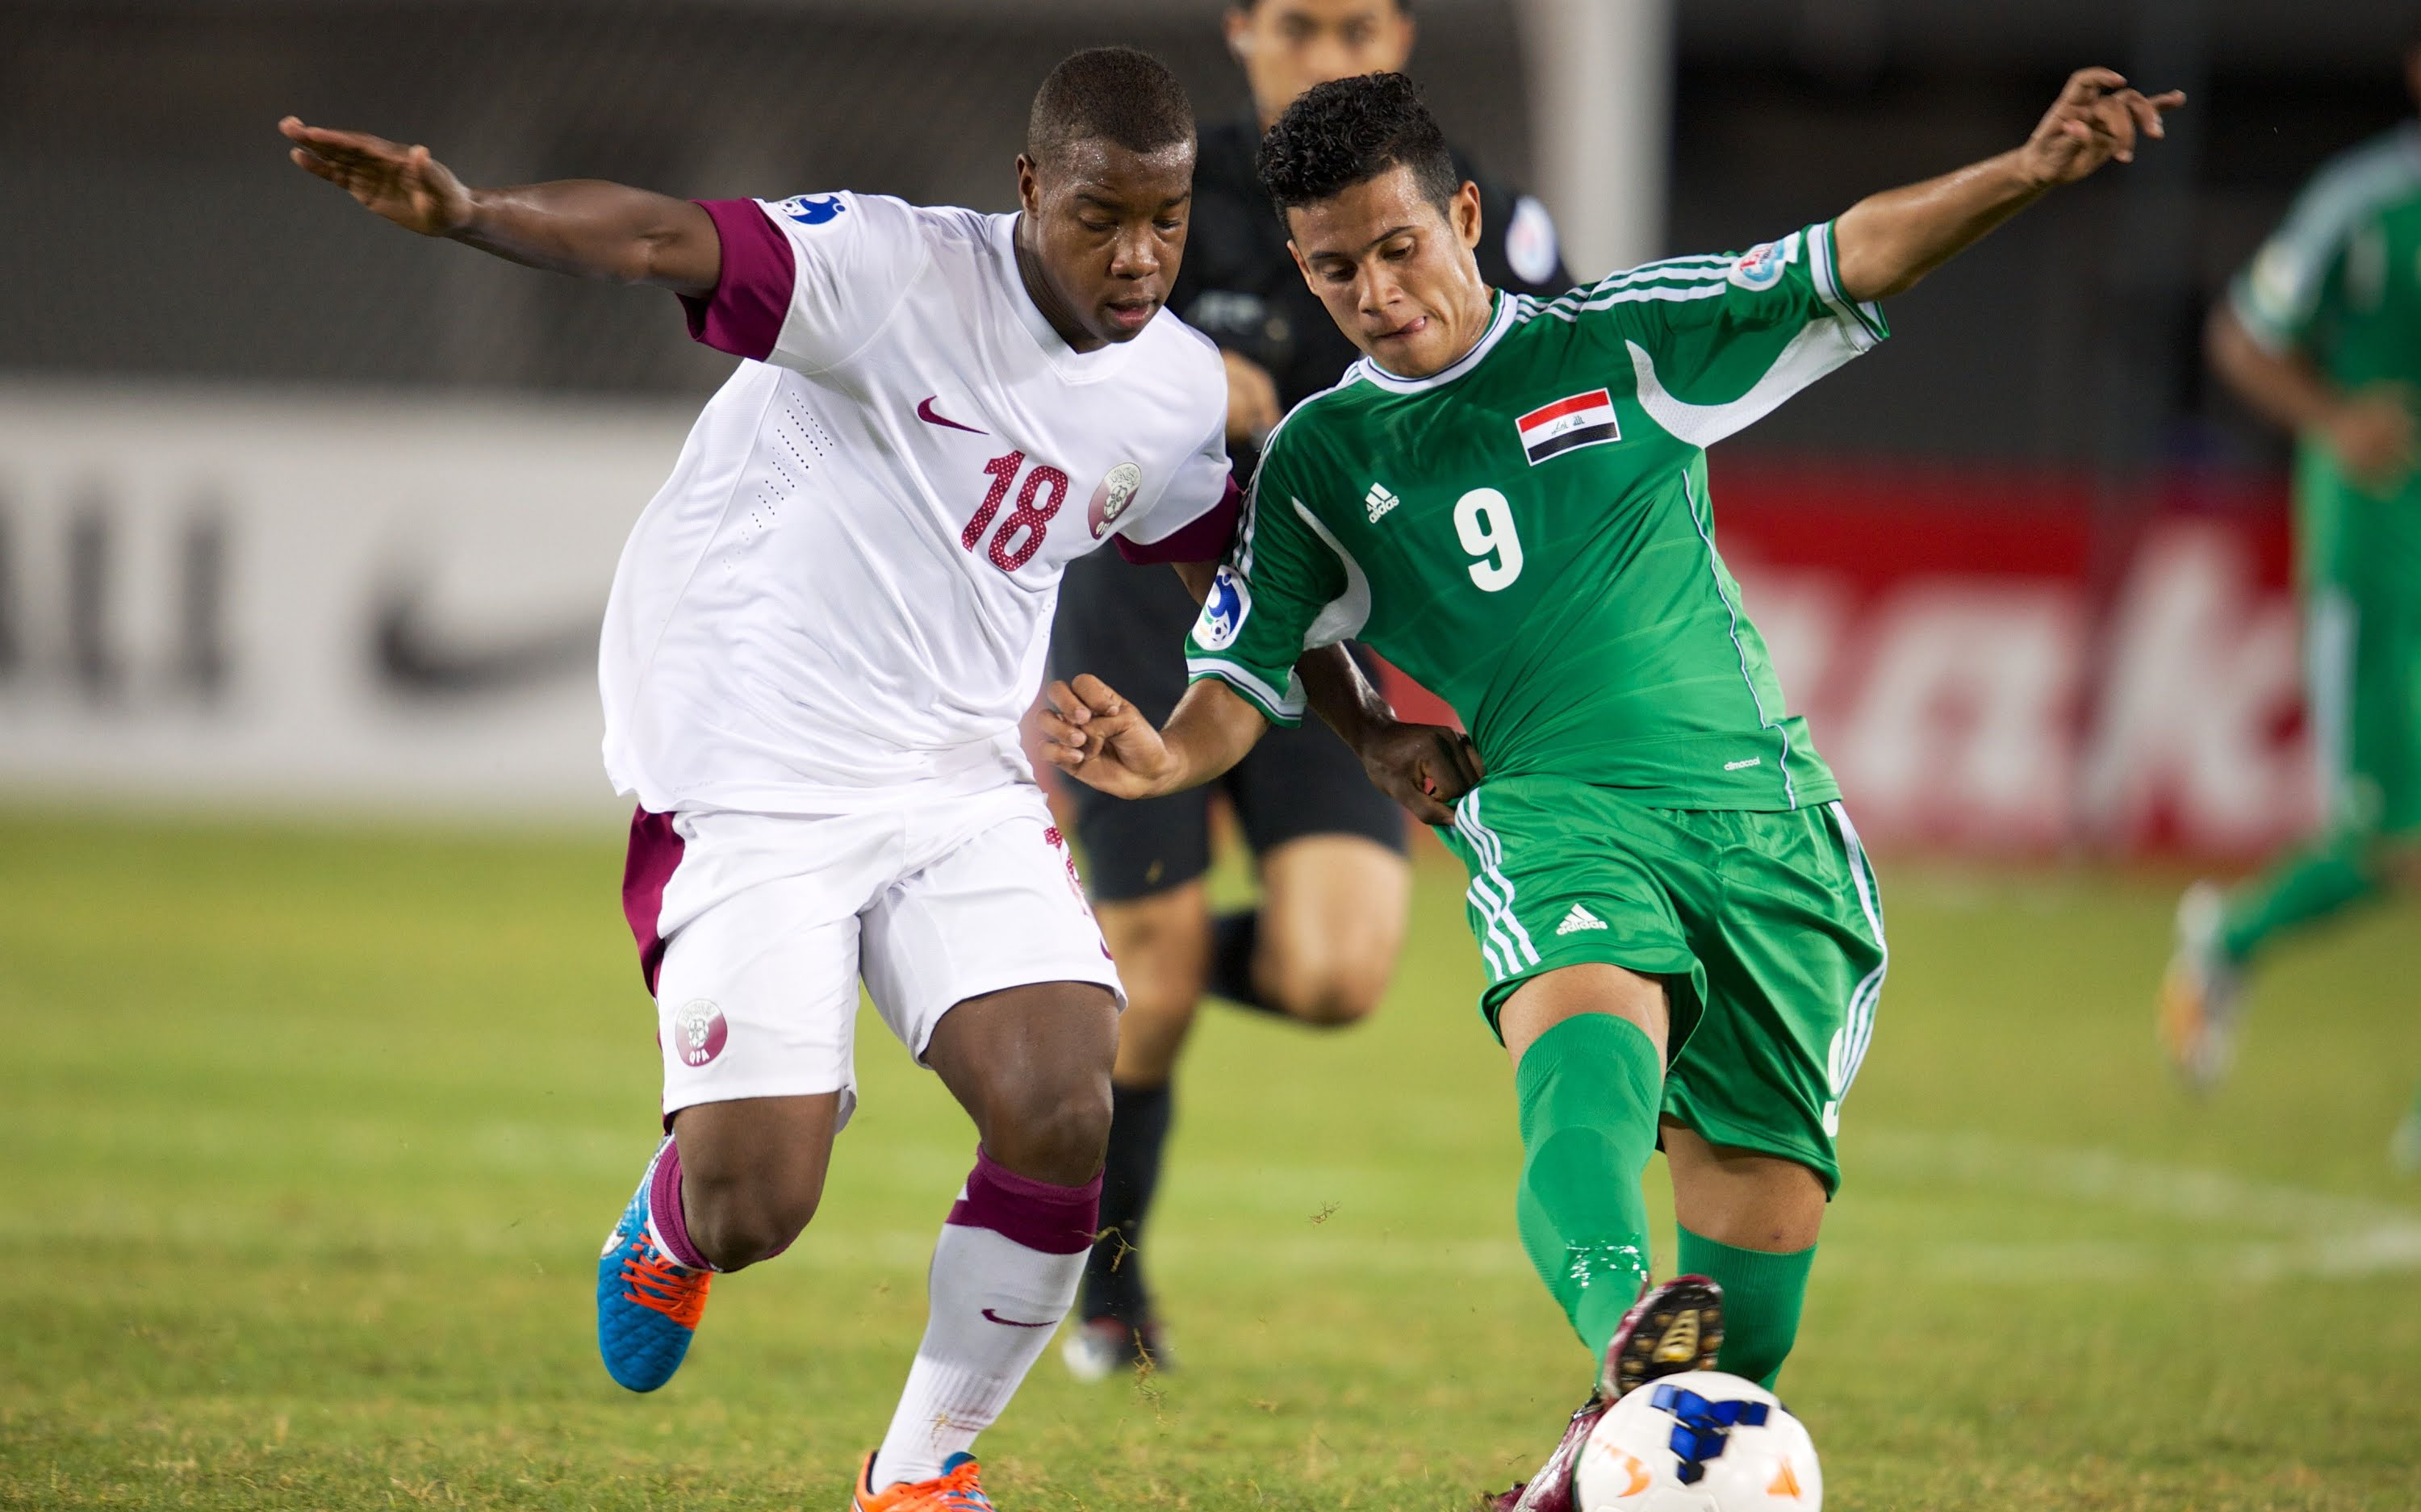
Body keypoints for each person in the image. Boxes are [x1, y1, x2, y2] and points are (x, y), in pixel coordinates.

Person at [281, 48, 1459, 1512]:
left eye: (1168, 219)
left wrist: (1373, 730)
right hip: (747, 768)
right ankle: (673, 1219)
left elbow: (1246, 574)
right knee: (756, 1205)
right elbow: (663, 235)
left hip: (954, 778)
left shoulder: (1164, 394)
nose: (1141, 255)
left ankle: (918, 1473)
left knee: (1065, 1106)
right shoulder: (888, 271)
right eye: (1104, 217)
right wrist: (468, 214)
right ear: (1031, 189)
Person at [1042, 68, 2181, 1511]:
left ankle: (1594, 1451)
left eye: (1400, 248)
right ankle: (1617, 1321)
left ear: (1464, 216)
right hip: (1551, 806)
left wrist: (2025, 168)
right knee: (1582, 1057)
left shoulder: (1626, 338)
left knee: (1746, 1334)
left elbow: (1851, 253)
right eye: (1336, 272)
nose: (1377, 293)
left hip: (1772, 837)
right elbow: (1247, 673)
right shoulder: (1324, 458)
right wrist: (1168, 751)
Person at [1051, 0, 1567, 1380]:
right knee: (1152, 985)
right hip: (1146, 606)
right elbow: (1055, 344)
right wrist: (1161, 369)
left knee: (1335, 973)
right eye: (1295, 23)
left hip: (1326, 633)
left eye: (1354, 24)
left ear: (1400, 31)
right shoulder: (1167, 191)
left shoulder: (1489, 223)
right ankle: (1108, 1289)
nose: (1323, 54)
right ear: (1240, 30)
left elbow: (1539, 407)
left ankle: (1111, 967)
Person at [2164, 34, 2421, 1168]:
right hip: (2377, 558)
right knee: (2392, 839)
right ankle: (2232, 935)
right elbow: (2242, 334)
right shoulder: (2362, 202)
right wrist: (2335, 417)